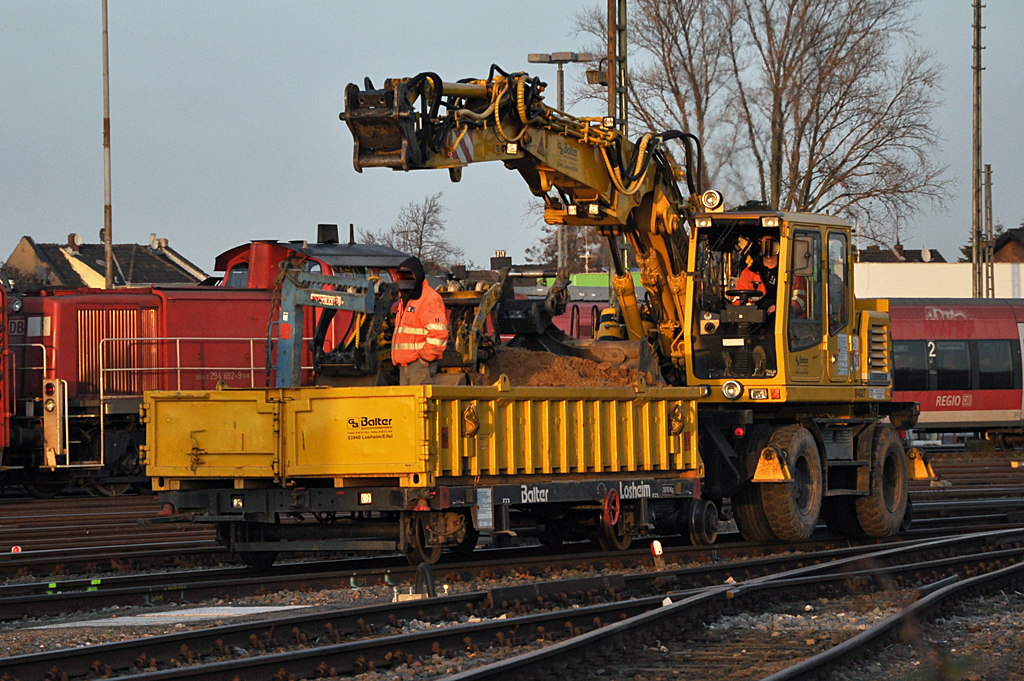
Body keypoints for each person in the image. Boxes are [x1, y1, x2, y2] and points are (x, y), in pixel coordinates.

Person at [391, 256, 449, 385]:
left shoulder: (429, 298)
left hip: (419, 366)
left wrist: (424, 360)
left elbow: (439, 335)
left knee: (422, 404)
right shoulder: (405, 298)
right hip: (405, 366)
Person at [735, 236, 779, 314]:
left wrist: (779, 307)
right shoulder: (749, 272)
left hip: (781, 318)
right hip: (753, 317)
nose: (766, 247)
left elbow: (797, 301)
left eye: (769, 243)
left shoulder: (788, 272)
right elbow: (737, 298)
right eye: (763, 244)